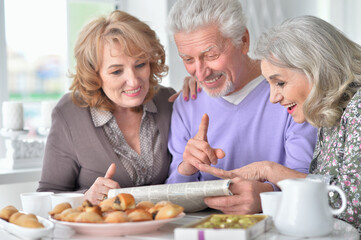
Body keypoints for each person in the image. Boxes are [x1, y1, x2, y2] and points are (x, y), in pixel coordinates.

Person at [199, 15, 361, 231]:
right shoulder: (329, 116)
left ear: (316, 68)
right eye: (270, 85)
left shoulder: (358, 106)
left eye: (280, 83)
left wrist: (270, 170)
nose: (273, 97)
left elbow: (351, 205)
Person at [165, 0, 318, 214]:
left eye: (211, 55)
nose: (200, 74)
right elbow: (172, 200)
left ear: (243, 41)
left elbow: (305, 180)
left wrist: (266, 195)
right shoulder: (186, 102)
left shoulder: (289, 92)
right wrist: (187, 168)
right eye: (188, 59)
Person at [37, 10, 177, 204]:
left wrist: (200, 89)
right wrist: (85, 198)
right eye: (117, 71)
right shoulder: (70, 113)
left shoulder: (168, 100)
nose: (133, 81)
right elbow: (46, 196)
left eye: (140, 64)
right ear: (95, 75)